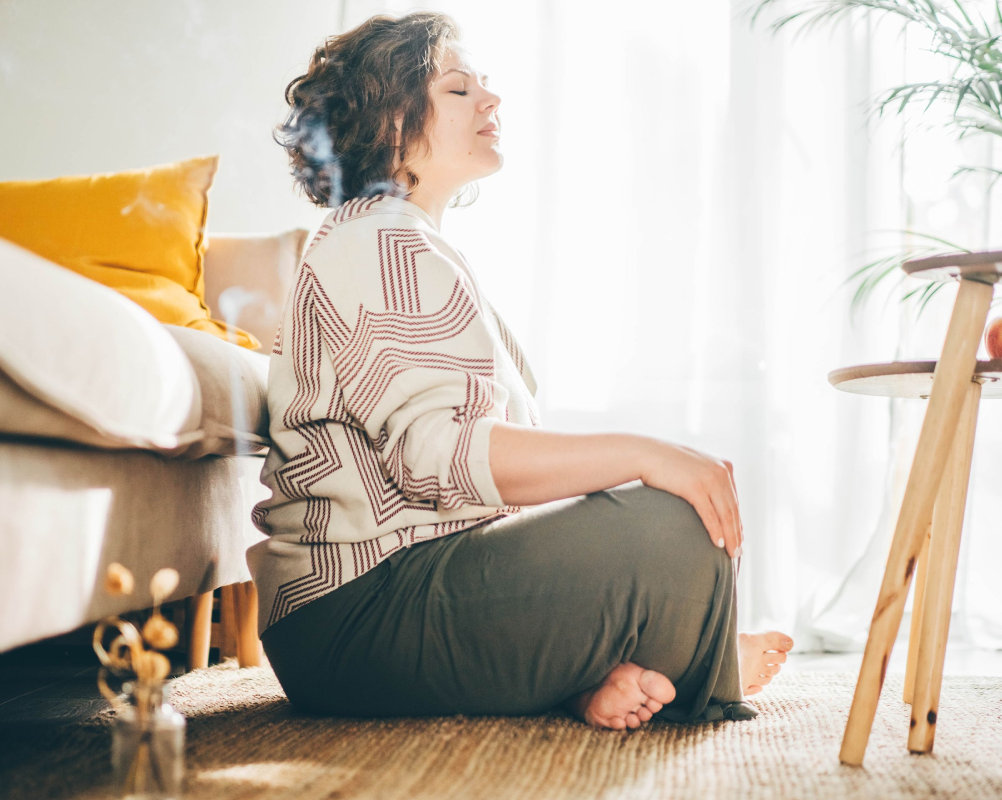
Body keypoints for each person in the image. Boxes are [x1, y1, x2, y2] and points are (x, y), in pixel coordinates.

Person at [248, 9, 794, 732]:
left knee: (654, 507)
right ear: (389, 123)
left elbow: (475, 493)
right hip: (355, 616)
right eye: (458, 89)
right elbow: (437, 461)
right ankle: (695, 661)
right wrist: (646, 455)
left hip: (378, 604)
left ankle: (582, 680)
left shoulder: (400, 241)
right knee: (673, 522)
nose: (491, 100)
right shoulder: (380, 241)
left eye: (483, 86)